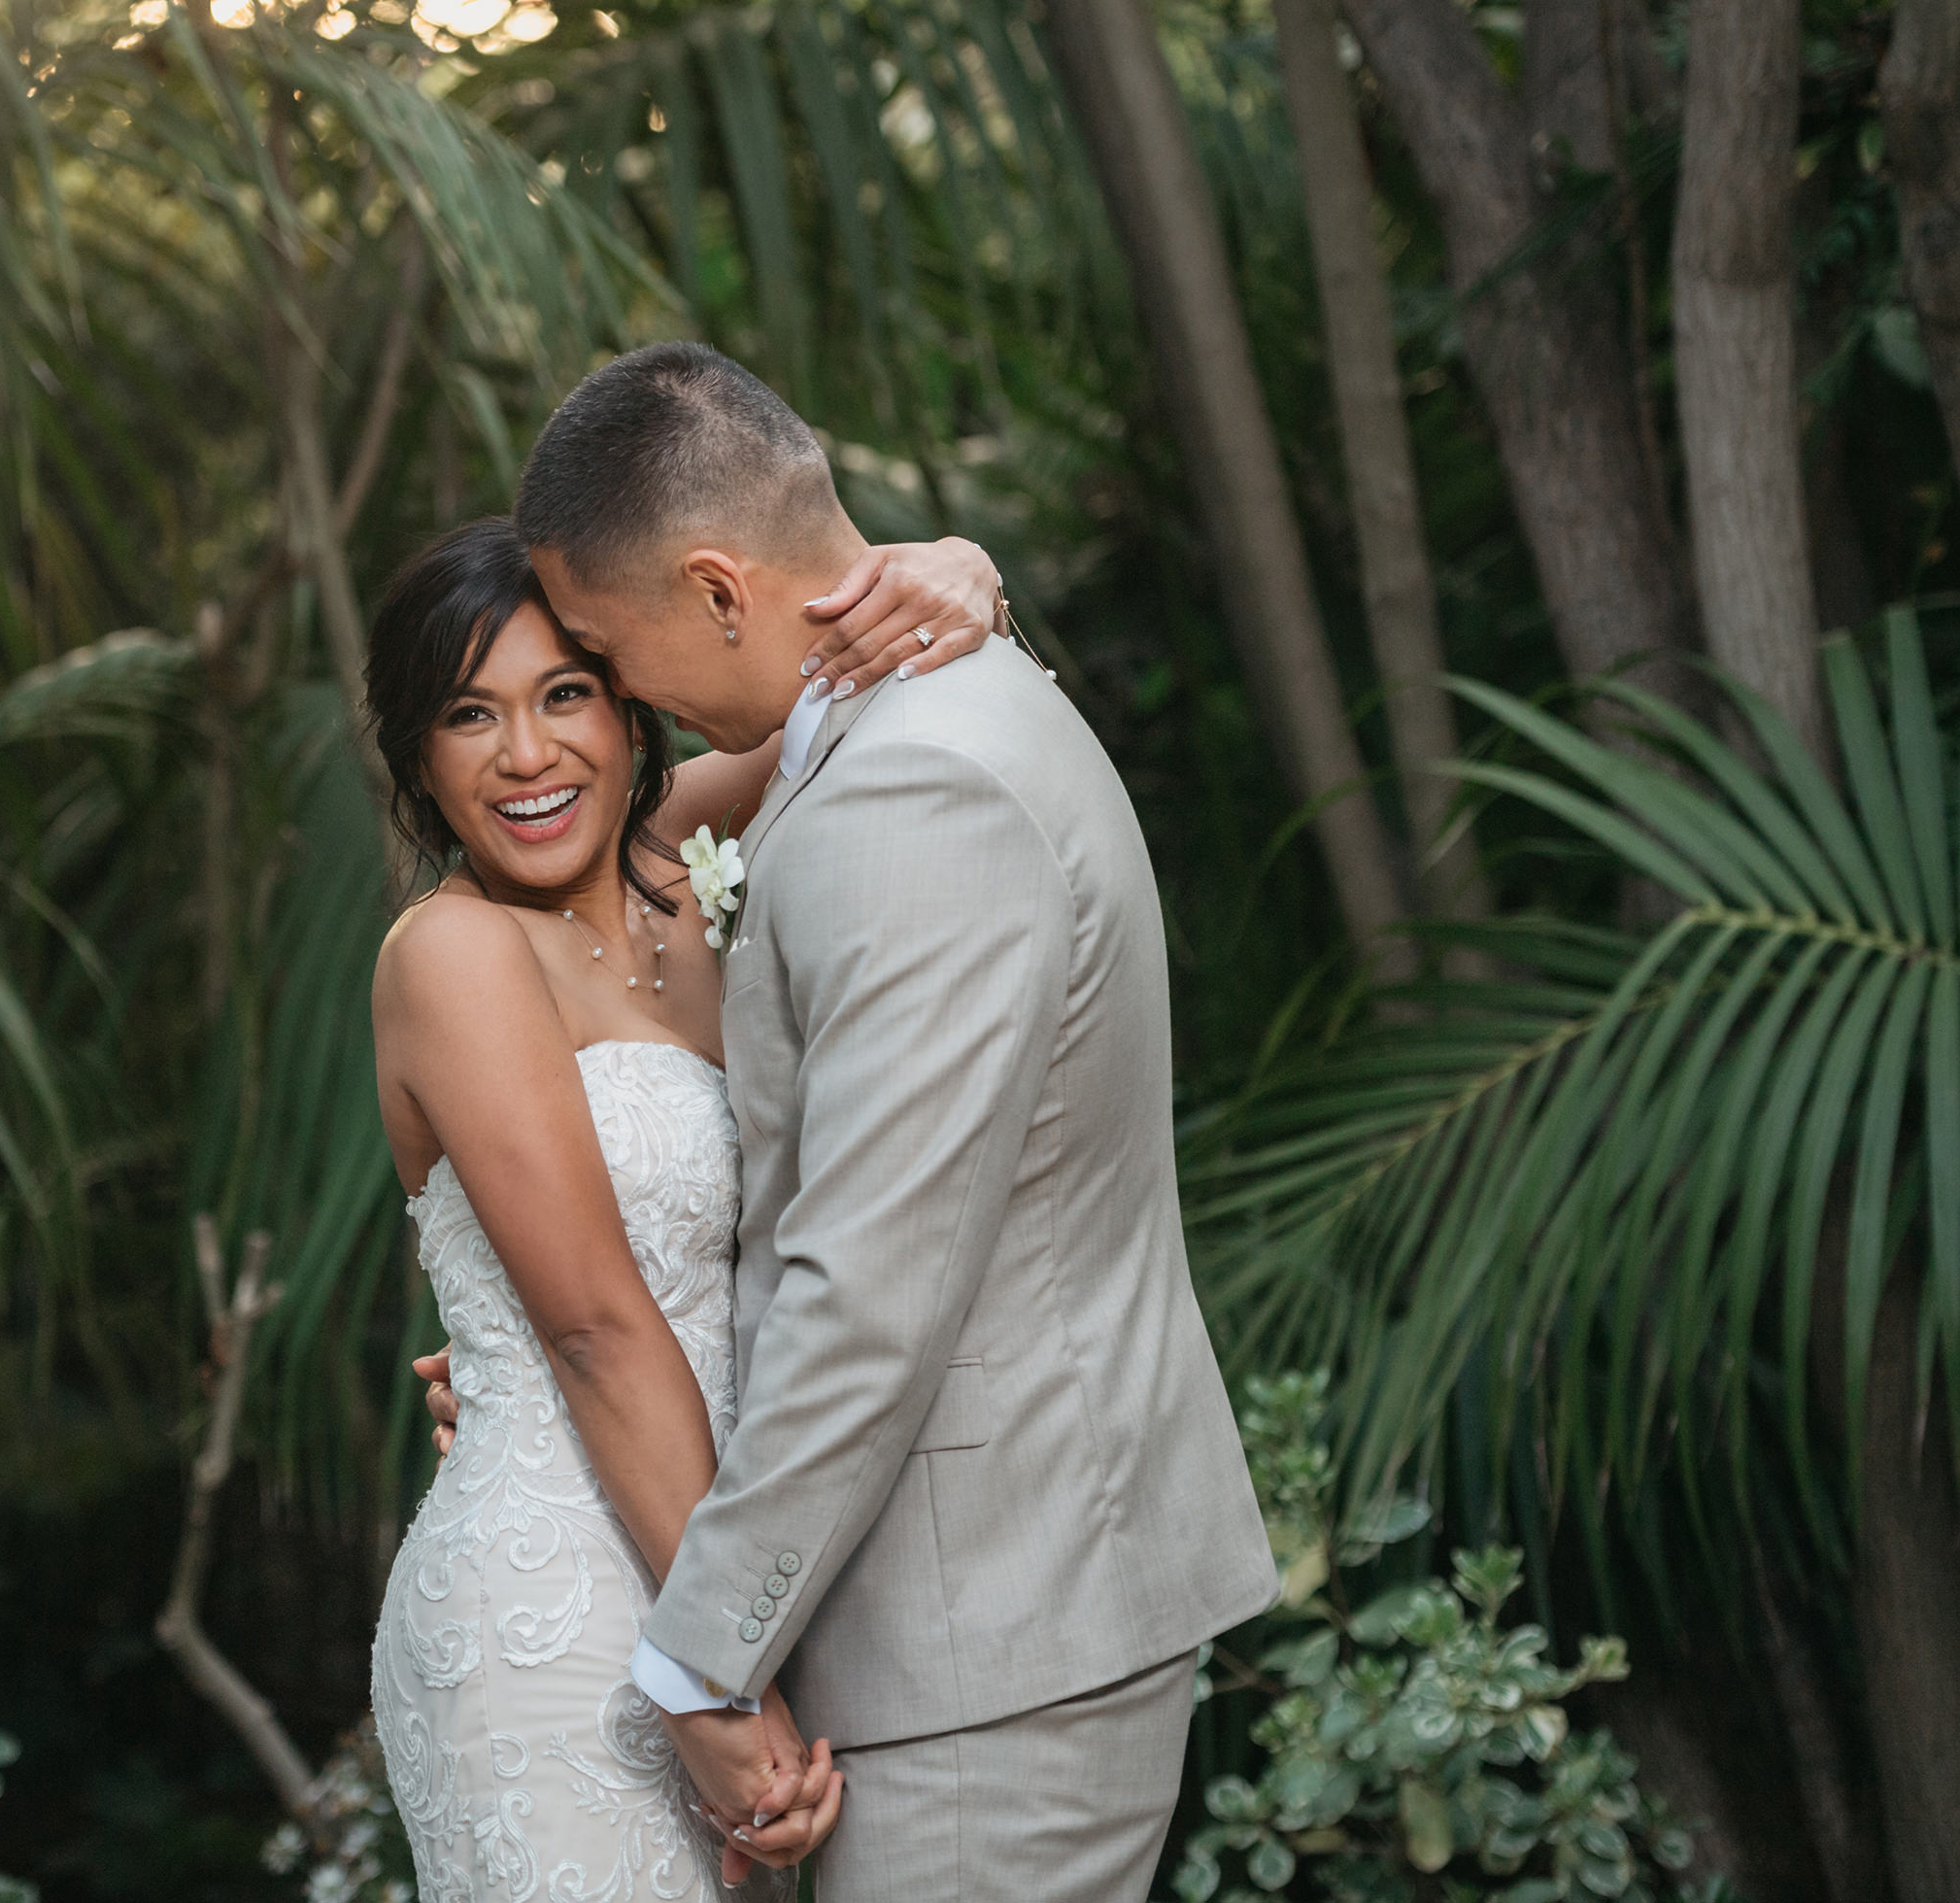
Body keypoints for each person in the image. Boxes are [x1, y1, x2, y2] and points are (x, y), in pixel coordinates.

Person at [429, 340, 1281, 1898]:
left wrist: (699, 1667)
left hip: (988, 1634)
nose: (615, 701)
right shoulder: (894, 731)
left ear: (718, 589)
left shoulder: (917, 792)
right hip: (947, 1625)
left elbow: (870, 1290)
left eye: (602, 661)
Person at [364, 511, 1009, 1901]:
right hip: (561, 1623)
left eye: (566, 694)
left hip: (720, 1570)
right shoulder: (453, 953)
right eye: (472, 714)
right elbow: (594, 1322)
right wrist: (712, 1681)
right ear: (420, 755)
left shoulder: (677, 859)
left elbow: (854, 656)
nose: (529, 756)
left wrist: (958, 567)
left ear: (631, 701)